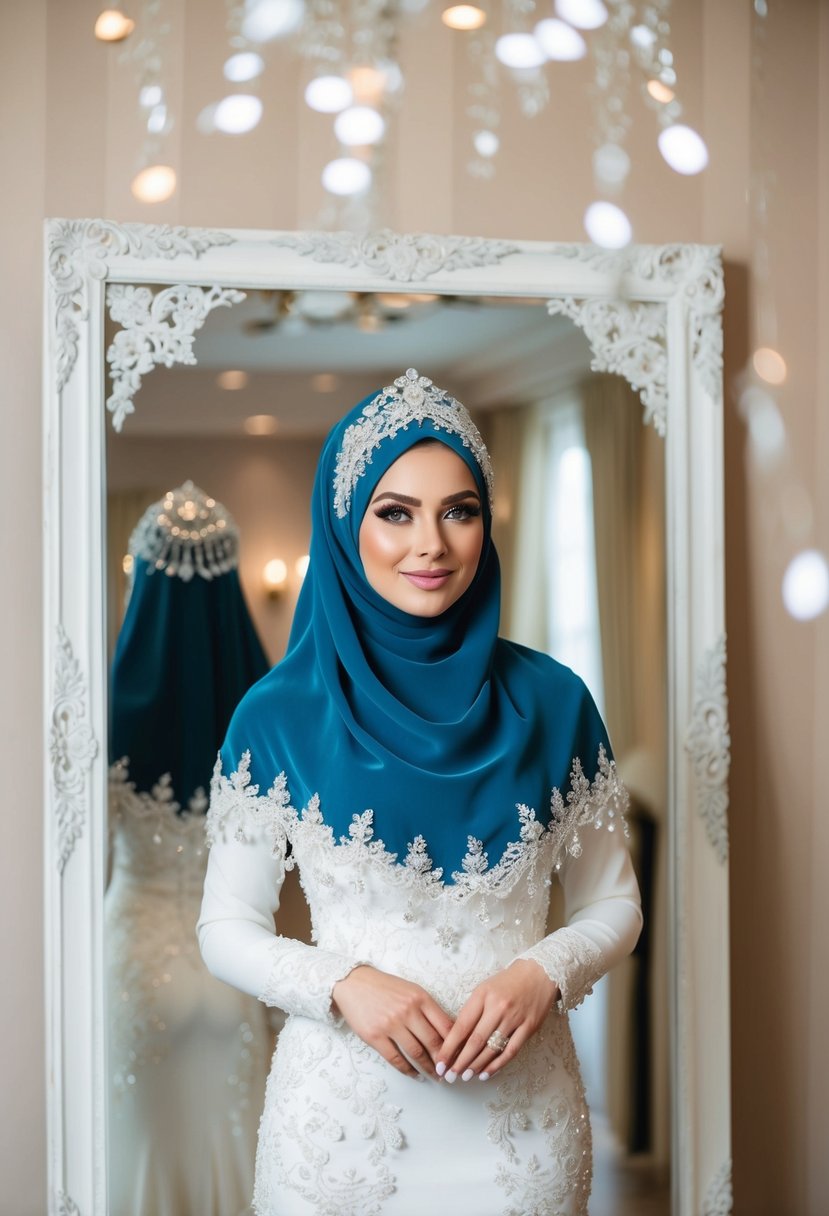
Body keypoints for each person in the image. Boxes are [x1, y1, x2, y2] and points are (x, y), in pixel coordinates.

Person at [197, 369, 643, 1216]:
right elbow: (226, 928)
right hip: (340, 1135)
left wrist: (541, 971)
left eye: (459, 510)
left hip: (521, 1136)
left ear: (486, 522)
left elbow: (613, 907)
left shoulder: (555, 701)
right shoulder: (278, 713)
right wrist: (343, 986)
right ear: (344, 527)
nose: (430, 544)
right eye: (394, 512)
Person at [107, 481, 272, 1216]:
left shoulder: (104, 715)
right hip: (231, 966)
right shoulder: (263, 713)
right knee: (228, 1153)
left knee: (141, 1150)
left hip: (133, 963)